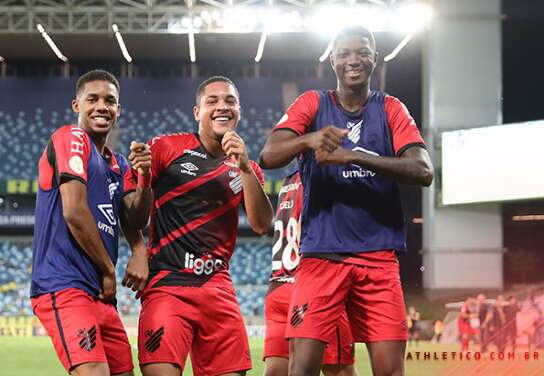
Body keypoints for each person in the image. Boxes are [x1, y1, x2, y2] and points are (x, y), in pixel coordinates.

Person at [259, 25, 433, 376]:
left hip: (379, 259)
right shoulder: (312, 103)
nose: (353, 59)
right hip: (322, 257)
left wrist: (352, 156)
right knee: (302, 369)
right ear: (332, 61)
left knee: (389, 371)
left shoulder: (390, 109)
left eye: (362, 51)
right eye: (344, 53)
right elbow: (269, 155)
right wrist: (310, 140)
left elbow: (423, 170)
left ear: (375, 58)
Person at [125, 76, 273, 376]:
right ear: (197, 112)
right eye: (212, 101)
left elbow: (261, 224)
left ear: (239, 111)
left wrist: (245, 166)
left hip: (217, 287)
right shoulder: (166, 148)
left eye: (230, 101)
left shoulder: (247, 166)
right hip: (168, 285)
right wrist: (138, 248)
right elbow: (133, 216)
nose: (222, 106)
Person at [30, 69, 152, 376]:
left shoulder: (120, 163)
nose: (101, 106)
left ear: (118, 109)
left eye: (110, 100)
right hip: (65, 285)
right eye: (92, 99)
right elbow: (74, 211)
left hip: (101, 294)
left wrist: (146, 177)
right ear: (76, 106)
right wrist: (108, 270)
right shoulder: (71, 138)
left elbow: (134, 217)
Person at [264, 168, 356, 376]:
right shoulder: (325, 176)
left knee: (276, 371)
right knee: (340, 370)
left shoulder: (288, 182)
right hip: (313, 289)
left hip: (278, 287)